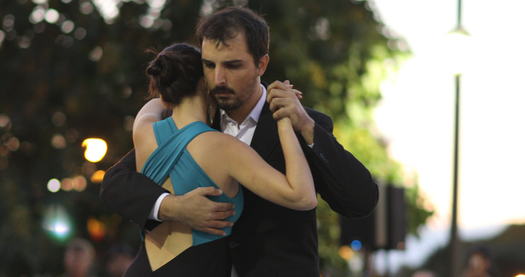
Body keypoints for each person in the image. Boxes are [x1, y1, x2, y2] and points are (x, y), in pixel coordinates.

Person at [100, 7, 378, 277]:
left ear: (261, 64)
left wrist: (305, 126)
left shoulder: (301, 124)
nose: (218, 79)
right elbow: (116, 184)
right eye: (209, 65)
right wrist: (175, 206)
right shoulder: (191, 124)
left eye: (232, 65)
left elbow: (360, 200)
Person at [125, 42, 316, 275]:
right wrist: (284, 120)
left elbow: (155, 104)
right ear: (206, 83)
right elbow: (303, 196)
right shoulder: (224, 148)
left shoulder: (143, 129)